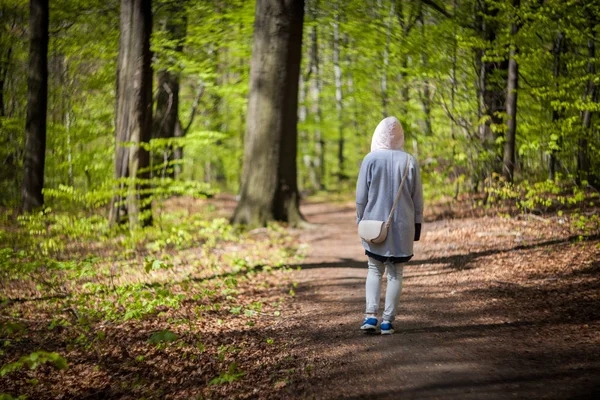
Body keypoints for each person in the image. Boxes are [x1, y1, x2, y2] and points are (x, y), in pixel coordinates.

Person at [355, 116, 424, 335]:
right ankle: (387, 322)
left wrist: (360, 220)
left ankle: (369, 317)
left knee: (374, 270)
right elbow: (417, 198)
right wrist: (417, 224)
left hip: (374, 224)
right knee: (396, 273)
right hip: (403, 225)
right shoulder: (409, 160)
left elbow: (360, 197)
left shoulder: (370, 159)